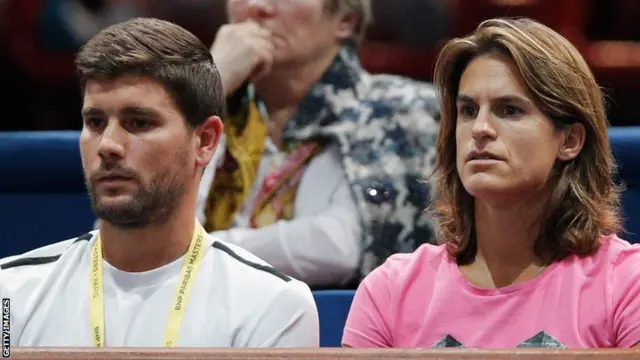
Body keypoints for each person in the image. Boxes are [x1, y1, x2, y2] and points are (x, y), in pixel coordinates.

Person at [0, 17, 319, 347]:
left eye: (138, 122)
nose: (108, 144)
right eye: (95, 122)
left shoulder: (271, 303)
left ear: (206, 141)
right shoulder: (8, 296)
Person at [342, 18, 640, 348]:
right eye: (468, 110)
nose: (480, 128)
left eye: (509, 110)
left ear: (569, 140)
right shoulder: (391, 290)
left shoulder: (627, 284)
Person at [201, 0, 440, 288]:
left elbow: (338, 248)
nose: (256, 6)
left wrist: (193, 253)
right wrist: (211, 84)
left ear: (346, 21)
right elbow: (149, 221)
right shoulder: (207, 109)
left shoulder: (403, 110)